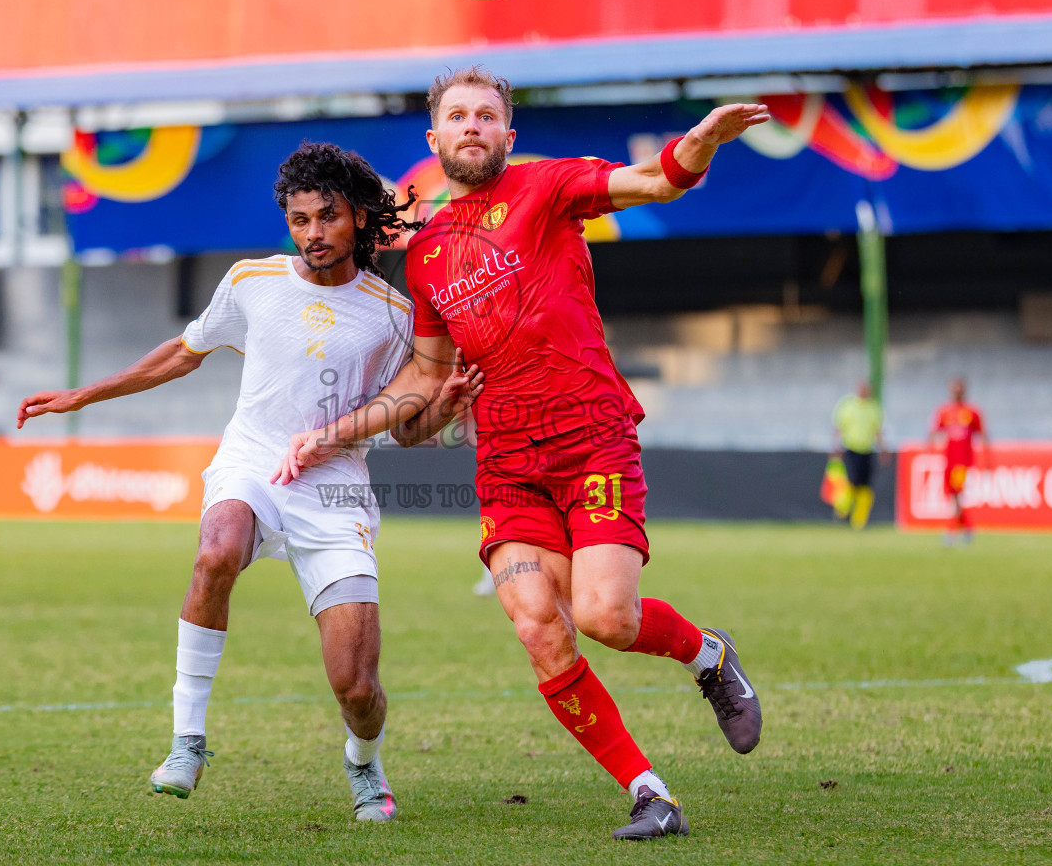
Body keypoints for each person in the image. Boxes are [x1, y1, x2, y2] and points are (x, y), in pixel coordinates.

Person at [274, 67, 770, 840]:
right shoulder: (429, 252)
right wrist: (336, 431)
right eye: (457, 116)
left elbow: (654, 181)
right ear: (434, 140)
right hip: (506, 462)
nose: (472, 125)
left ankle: (708, 655)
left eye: (487, 115)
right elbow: (426, 382)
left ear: (509, 134)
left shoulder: (549, 189)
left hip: (591, 438)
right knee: (539, 625)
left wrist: (700, 141)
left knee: (605, 616)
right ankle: (649, 793)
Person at [15, 142, 480, 822]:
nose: (313, 234)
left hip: (335, 486)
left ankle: (364, 764)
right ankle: (187, 741)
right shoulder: (251, 282)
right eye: (299, 219)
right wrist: (86, 394)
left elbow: (407, 431)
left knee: (355, 685)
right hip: (253, 459)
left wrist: (443, 406)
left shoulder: (394, 314)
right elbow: (185, 351)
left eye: (326, 217)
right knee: (216, 551)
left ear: (357, 216)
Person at [928, 376, 989, 545]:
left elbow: (983, 435)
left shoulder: (972, 412)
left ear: (964, 391)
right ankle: (968, 529)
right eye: (954, 389)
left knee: (956, 495)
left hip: (963, 461)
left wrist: (986, 459)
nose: (956, 393)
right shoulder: (944, 411)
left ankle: (951, 532)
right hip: (948, 460)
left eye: (959, 389)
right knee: (953, 496)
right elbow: (934, 431)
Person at [831, 381, 884, 529]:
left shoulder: (873, 408)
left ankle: (859, 520)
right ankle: (842, 510)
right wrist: (835, 446)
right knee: (851, 481)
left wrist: (882, 449)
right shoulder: (847, 406)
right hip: (851, 449)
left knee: (865, 486)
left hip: (867, 450)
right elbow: (838, 427)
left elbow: (877, 431)